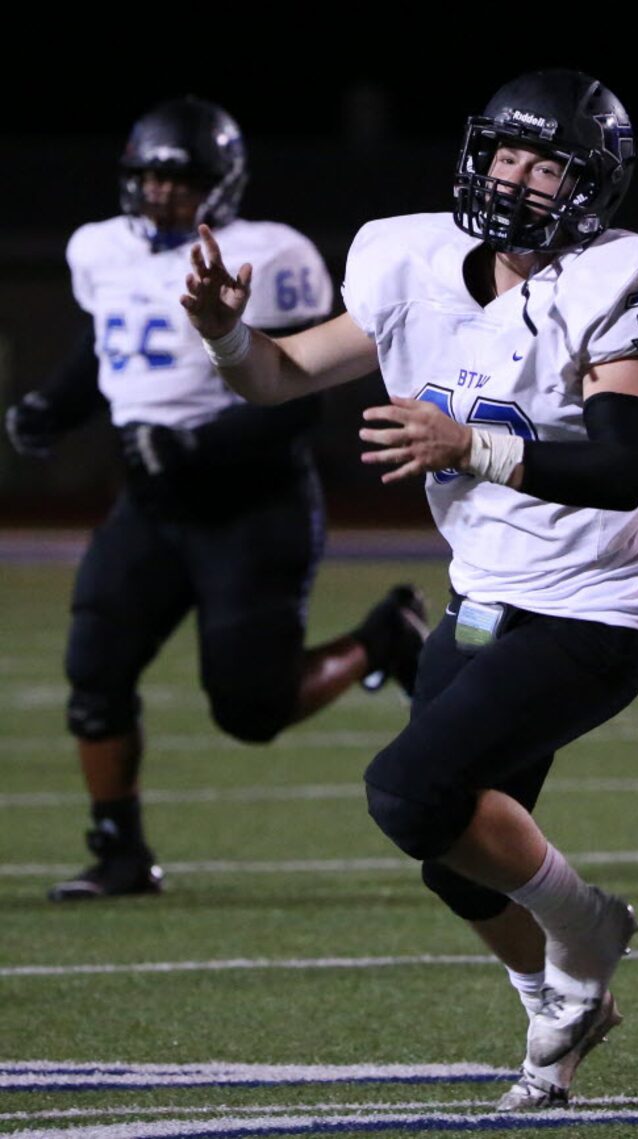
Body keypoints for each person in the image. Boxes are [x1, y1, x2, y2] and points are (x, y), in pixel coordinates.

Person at [180, 70, 638, 1110]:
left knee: (405, 790)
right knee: (450, 856)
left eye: (545, 163)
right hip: (481, 594)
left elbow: (617, 471)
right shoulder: (408, 255)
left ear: (590, 183)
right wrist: (227, 334)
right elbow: (281, 375)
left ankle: (585, 931)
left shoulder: (629, 275)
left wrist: (470, 445)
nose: (516, 178)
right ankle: (552, 1036)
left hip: (589, 609)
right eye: (505, 154)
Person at [4, 95, 428, 903]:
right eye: (151, 176)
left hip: (253, 502)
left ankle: (384, 637)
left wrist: (197, 444)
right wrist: (50, 408)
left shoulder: (269, 252)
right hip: (154, 506)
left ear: (222, 182)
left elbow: (299, 401)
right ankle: (119, 850)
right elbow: (108, 346)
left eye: (183, 178)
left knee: (251, 708)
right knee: (94, 670)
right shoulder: (98, 248)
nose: (163, 193)